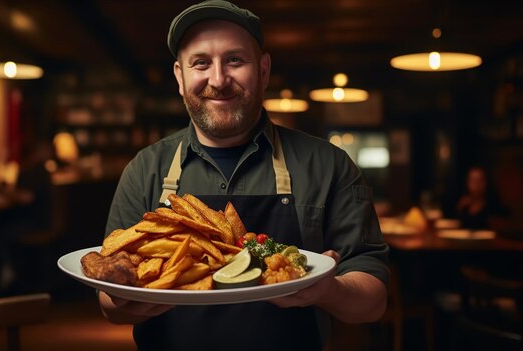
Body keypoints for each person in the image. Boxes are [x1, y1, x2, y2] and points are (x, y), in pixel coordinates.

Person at [97, 1, 389, 350]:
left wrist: (332, 290)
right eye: (201, 62)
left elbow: (373, 301)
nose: (218, 80)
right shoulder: (145, 169)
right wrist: (130, 303)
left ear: (263, 70)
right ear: (180, 76)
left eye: (235, 60)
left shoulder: (328, 164)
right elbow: (108, 301)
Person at [456, 165, 508, 230]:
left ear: (486, 182)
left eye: (480, 180)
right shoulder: (464, 206)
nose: (476, 185)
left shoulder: (493, 206)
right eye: (473, 181)